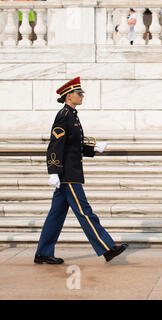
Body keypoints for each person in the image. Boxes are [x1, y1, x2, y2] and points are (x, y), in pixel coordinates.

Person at [34, 77, 128, 264]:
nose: (82, 96)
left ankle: (43, 253)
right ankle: (107, 248)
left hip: (70, 172)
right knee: (85, 212)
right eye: (79, 93)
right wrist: (53, 171)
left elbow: (73, 145)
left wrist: (94, 149)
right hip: (67, 174)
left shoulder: (72, 115)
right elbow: (55, 145)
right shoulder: (64, 115)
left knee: (56, 215)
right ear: (69, 96)